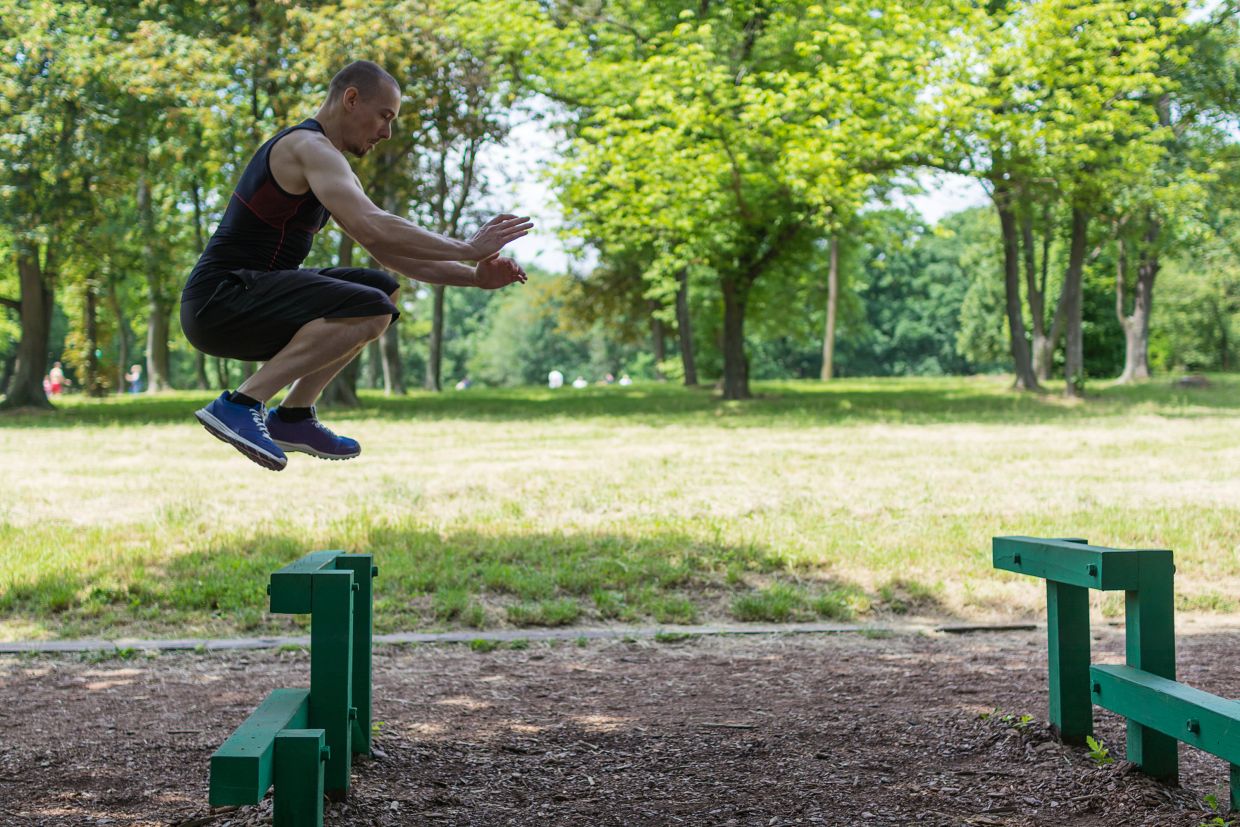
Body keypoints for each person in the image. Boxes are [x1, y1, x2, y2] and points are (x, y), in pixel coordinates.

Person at [180, 61, 531, 471]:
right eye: (385, 116)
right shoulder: (307, 148)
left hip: (247, 294)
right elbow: (376, 225)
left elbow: (388, 253)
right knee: (370, 308)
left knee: (381, 289)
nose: (386, 132)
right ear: (351, 99)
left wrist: (472, 276)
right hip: (220, 300)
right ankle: (241, 404)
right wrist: (469, 247)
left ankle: (293, 416)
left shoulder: (328, 161)